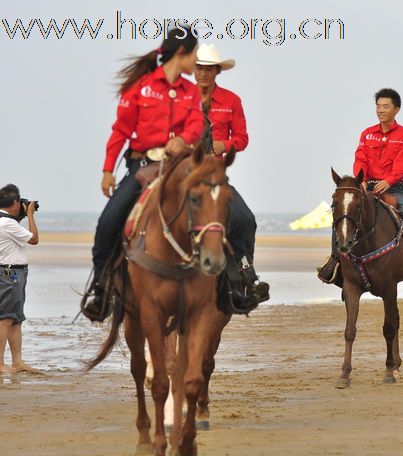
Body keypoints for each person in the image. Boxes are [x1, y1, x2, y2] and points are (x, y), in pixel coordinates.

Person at [83, 27, 204, 321]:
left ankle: (235, 278)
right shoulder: (139, 88)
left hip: (181, 168)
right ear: (181, 53)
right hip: (142, 167)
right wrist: (108, 170)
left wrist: (185, 139)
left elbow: (198, 125)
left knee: (224, 210)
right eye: (195, 53)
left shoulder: (191, 92)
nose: (197, 60)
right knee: (108, 221)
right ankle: (101, 288)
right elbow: (121, 131)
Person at [317, 88, 403, 285]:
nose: (380, 110)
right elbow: (360, 158)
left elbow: (402, 164)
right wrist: (360, 179)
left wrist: (389, 180)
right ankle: (335, 259)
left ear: (396, 109)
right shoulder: (367, 134)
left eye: (385, 106)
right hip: (365, 187)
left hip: (393, 188)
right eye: (378, 106)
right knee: (342, 214)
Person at [194, 44, 269, 309]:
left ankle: (246, 276)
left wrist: (224, 145)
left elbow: (242, 138)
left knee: (244, 219)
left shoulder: (231, 101)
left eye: (208, 69)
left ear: (217, 71)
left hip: (214, 174)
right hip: (182, 174)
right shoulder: (180, 99)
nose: (203, 74)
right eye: (199, 68)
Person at [0, 184, 40, 373]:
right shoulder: (7, 223)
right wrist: (30, 214)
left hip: (13, 273)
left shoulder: (7, 222)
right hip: (10, 273)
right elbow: (34, 239)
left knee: (16, 319)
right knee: (6, 319)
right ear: (15, 203)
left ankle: (17, 361)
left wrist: (21, 216)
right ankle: (0, 364)